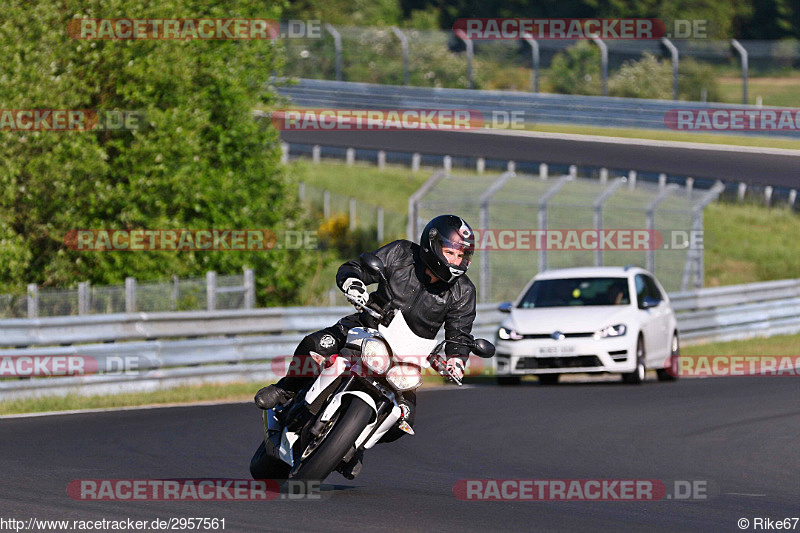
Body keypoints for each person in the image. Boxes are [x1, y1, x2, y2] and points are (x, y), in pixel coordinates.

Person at [254, 214, 478, 478]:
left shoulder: (464, 292)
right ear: (432, 243)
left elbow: (459, 335)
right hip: (367, 325)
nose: (455, 260)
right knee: (317, 344)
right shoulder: (401, 253)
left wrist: (456, 360)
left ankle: (352, 443)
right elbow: (358, 267)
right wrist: (353, 282)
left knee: (403, 421)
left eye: (461, 255)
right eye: (450, 252)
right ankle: (286, 390)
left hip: (407, 358)